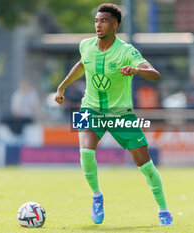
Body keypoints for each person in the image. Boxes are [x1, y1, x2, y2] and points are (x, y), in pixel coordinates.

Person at [54, 3, 172, 226]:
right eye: (97, 21)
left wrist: (136, 70)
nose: (98, 25)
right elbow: (82, 65)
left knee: (145, 166)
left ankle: (163, 210)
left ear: (115, 25)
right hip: (90, 108)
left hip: (121, 114)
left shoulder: (127, 51)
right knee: (86, 152)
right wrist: (62, 87)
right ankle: (97, 196)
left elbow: (154, 74)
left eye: (104, 21)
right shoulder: (86, 45)